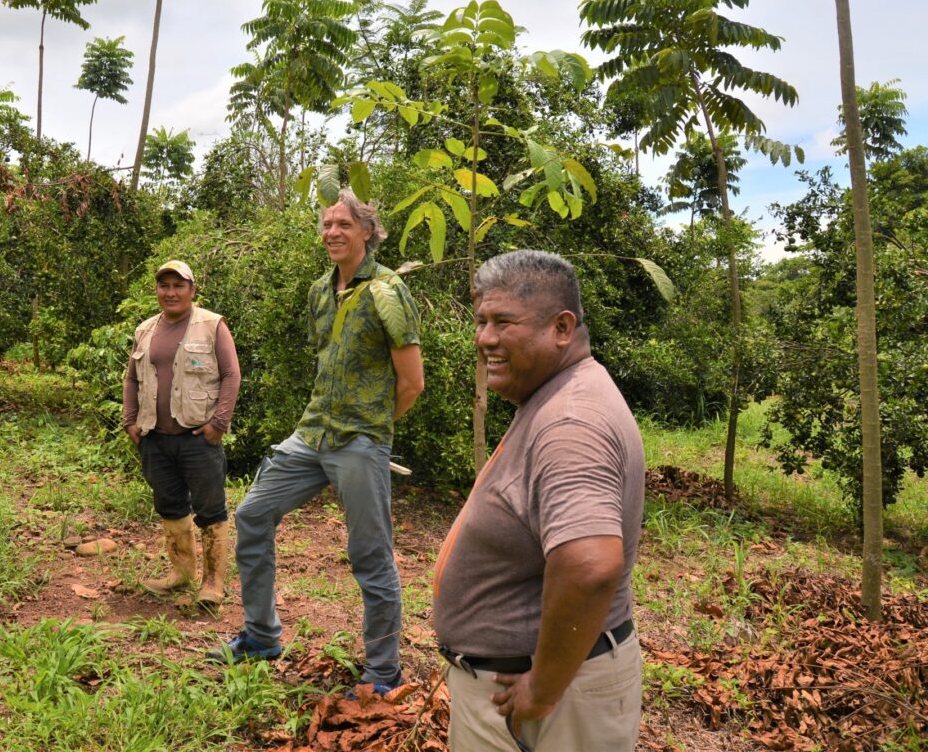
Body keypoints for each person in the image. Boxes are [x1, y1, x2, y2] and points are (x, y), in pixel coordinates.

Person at [433, 250, 644, 752]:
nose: (484, 338)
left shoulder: (570, 424)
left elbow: (590, 568)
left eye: (504, 321)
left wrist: (542, 691)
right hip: (531, 689)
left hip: (544, 699)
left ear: (562, 328)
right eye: (481, 320)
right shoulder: (557, 394)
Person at [217, 190, 425, 695]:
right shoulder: (319, 291)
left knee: (369, 554)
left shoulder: (388, 292)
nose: (332, 232)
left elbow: (412, 382)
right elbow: (326, 360)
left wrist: (371, 430)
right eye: (327, 224)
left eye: (343, 224)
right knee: (251, 514)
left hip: (358, 439)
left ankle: (382, 672)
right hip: (312, 434)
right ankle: (263, 636)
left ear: (367, 232)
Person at [123, 260, 241, 612]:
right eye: (164, 286)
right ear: (157, 290)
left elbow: (231, 375)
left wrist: (218, 424)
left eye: (178, 285)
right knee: (170, 505)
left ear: (192, 290)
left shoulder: (212, 325)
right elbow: (132, 378)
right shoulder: (145, 330)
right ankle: (182, 573)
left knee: (210, 509)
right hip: (155, 439)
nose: (171, 292)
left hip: (197, 438)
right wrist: (130, 421)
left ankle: (213, 582)